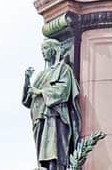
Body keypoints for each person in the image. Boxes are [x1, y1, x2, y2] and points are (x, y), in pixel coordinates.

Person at [22, 39, 81, 170]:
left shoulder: (63, 69)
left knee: (53, 150)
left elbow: (63, 90)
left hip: (54, 115)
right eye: (42, 49)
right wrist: (27, 80)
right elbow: (27, 100)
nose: (43, 52)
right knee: (42, 150)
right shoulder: (41, 75)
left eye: (45, 49)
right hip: (39, 117)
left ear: (53, 50)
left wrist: (41, 91)